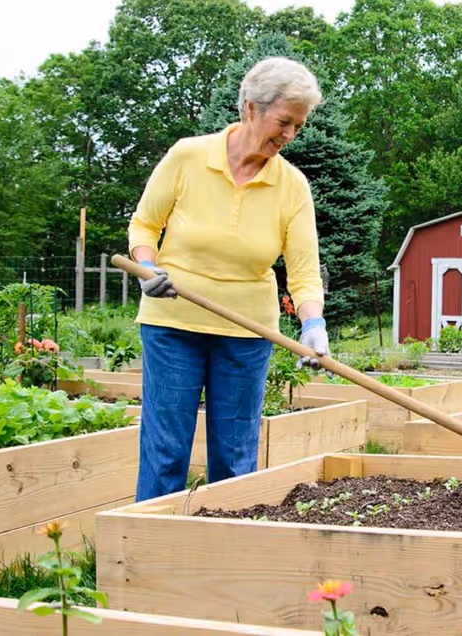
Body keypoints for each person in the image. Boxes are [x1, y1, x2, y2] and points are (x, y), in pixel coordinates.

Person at [128, 57, 330, 501]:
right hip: (172, 321)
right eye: (283, 121)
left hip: (247, 331)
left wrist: (313, 324)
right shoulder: (188, 156)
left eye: (299, 125)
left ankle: (226, 555)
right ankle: (151, 555)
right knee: (166, 449)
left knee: (236, 457)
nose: (290, 135)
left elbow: (303, 271)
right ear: (251, 109)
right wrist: (148, 266)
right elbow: (144, 226)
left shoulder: (292, 186)